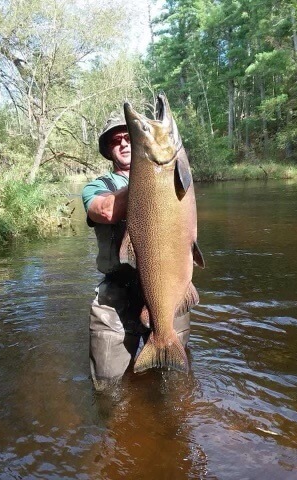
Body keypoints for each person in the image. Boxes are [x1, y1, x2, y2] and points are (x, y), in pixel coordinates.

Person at [82, 114, 190, 390]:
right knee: (108, 386)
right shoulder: (97, 187)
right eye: (116, 141)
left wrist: (158, 172)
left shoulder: (172, 173)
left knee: (175, 383)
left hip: (168, 286)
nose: (124, 144)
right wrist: (147, 176)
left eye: (130, 138)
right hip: (117, 292)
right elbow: (104, 211)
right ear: (108, 150)